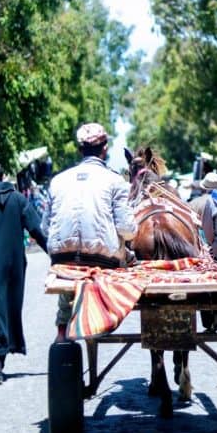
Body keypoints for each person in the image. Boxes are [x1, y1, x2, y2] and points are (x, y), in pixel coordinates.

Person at [42, 123, 136, 341]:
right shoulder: (115, 181)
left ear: (79, 150)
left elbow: (46, 227)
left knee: (67, 290)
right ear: (105, 149)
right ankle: (100, 318)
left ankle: (62, 333)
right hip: (102, 263)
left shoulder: (57, 181)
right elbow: (128, 230)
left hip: (63, 262)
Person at [0, 162, 47, 384]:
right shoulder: (18, 200)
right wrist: (55, 256)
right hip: (14, 267)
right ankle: (0, 361)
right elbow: (38, 230)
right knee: (9, 309)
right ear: (3, 177)